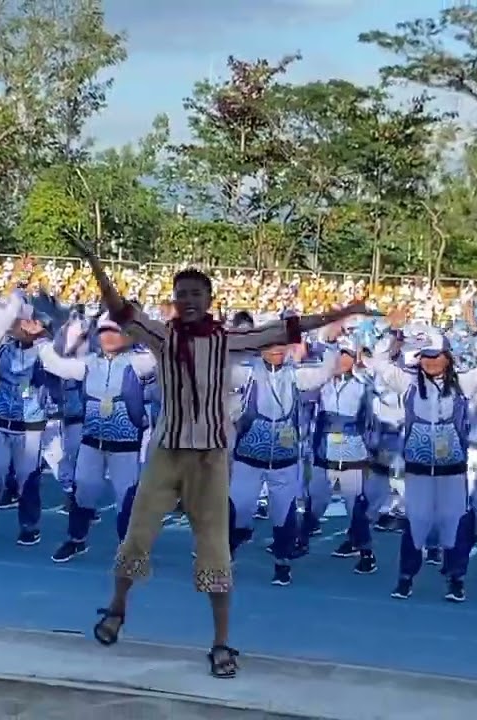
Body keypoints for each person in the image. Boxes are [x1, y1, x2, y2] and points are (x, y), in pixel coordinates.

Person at [68, 237, 371, 679]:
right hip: (167, 453)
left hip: (210, 460)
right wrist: (95, 263)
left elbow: (289, 328)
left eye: (196, 294)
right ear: (174, 300)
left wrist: (341, 313)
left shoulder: (229, 340)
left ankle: (221, 643)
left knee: (216, 553)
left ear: (210, 300)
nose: (189, 300)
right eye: (182, 294)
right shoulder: (160, 334)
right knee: (136, 537)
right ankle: (117, 609)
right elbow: (118, 311)